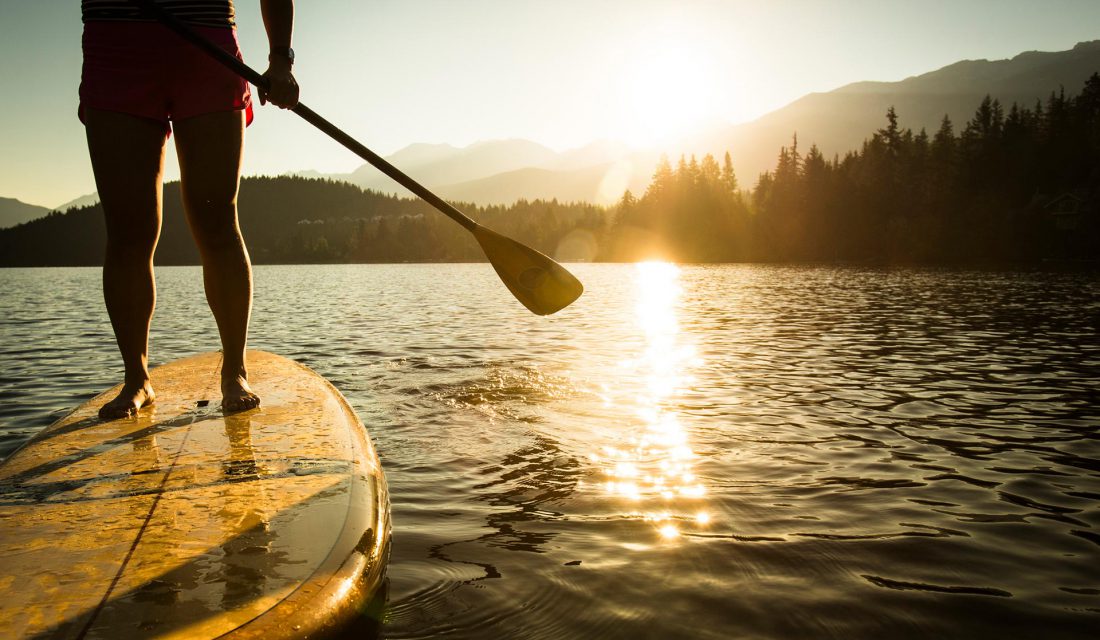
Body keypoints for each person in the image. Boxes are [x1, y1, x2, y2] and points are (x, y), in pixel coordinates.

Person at [80, 0, 299, 419]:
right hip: (115, 46)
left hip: (205, 37)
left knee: (216, 218)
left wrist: (280, 58)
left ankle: (234, 371)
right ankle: (137, 379)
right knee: (128, 231)